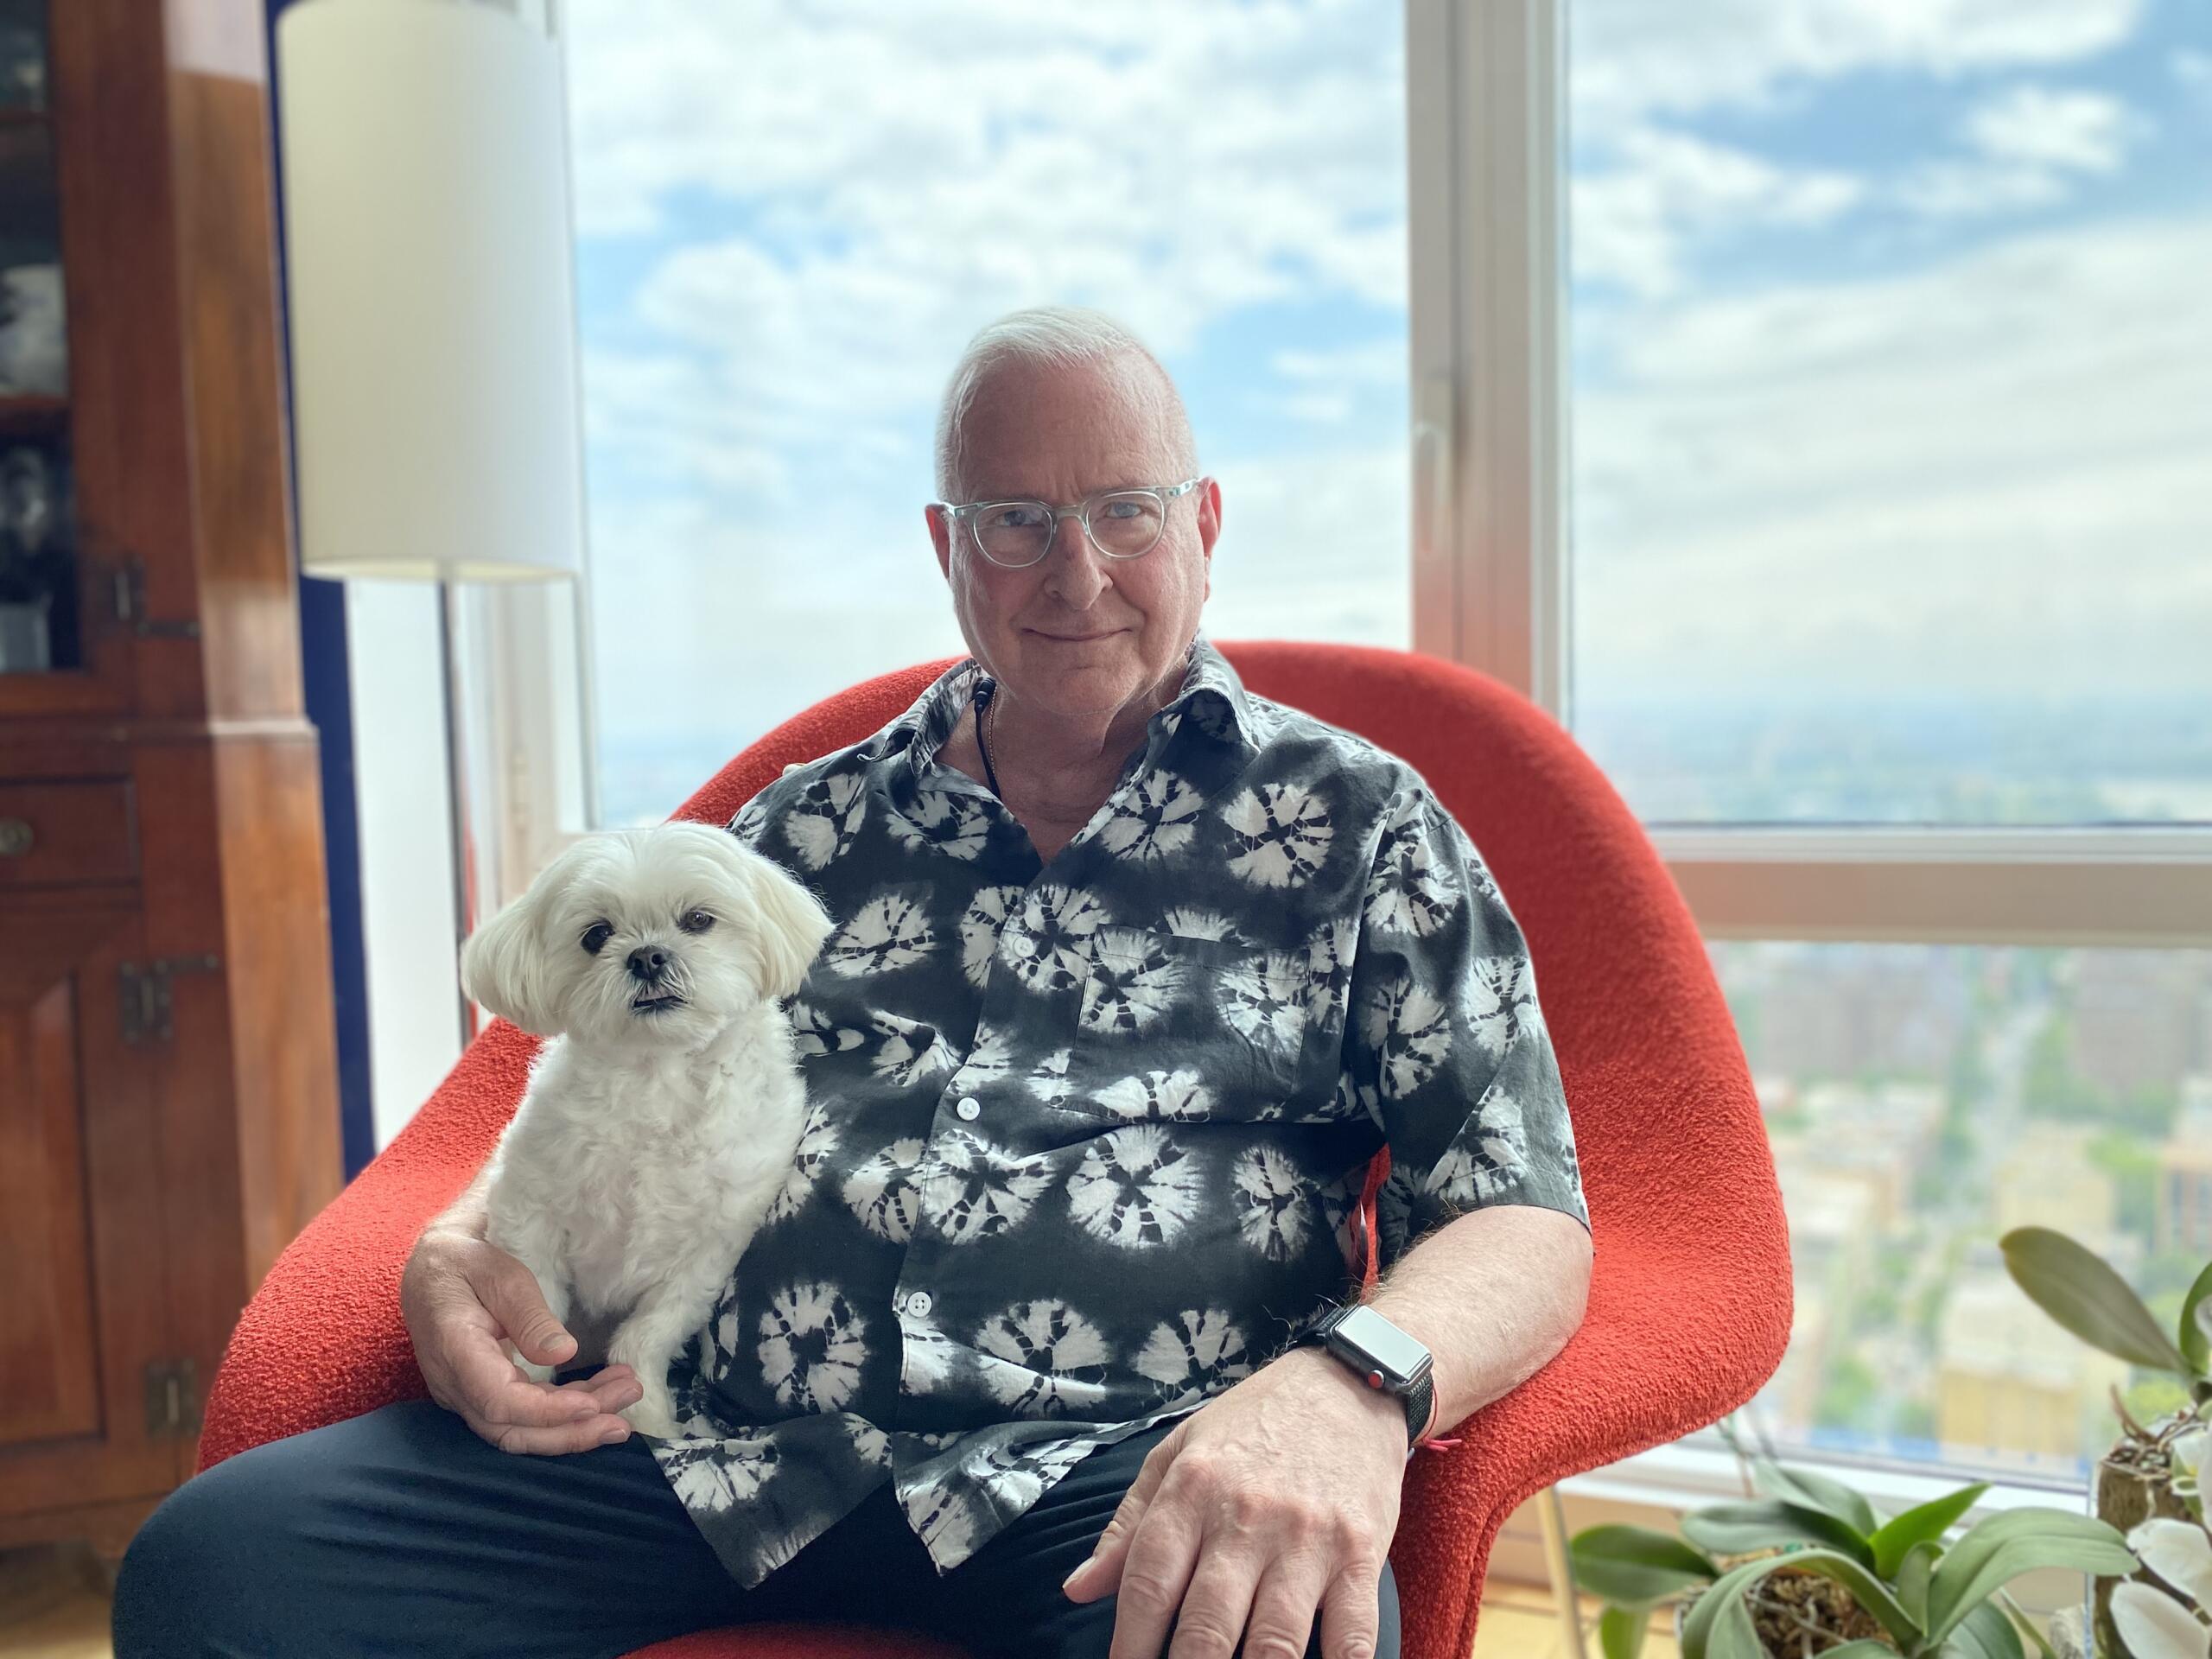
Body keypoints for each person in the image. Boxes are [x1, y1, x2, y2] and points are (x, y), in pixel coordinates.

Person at [114, 307, 1593, 1659]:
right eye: (1015, 522)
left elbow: (1522, 1210)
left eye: (1125, 512)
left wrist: (1351, 1387)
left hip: (1115, 1468)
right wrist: (459, 1241)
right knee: (217, 1576)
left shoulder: (1356, 827)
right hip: (709, 1438)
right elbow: (589, 1073)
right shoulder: (801, 830)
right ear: (947, 549)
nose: (1075, 573)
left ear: (1202, 524)